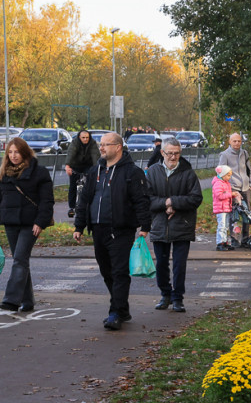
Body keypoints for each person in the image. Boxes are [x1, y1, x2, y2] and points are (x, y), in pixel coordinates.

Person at [73, 133, 152, 331]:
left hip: (120, 230)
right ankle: (122, 309)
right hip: (97, 229)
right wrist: (79, 226)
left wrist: (145, 227)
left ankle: (115, 312)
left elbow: (142, 200)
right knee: (106, 271)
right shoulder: (94, 171)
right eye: (101, 144)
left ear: (118, 147)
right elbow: (84, 200)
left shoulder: (131, 173)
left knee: (119, 272)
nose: (101, 148)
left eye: (106, 144)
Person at [146, 137, 203, 313]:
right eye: (170, 153)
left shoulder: (188, 172)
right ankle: (165, 294)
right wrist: (166, 204)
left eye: (176, 153)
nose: (173, 157)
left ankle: (178, 298)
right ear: (162, 152)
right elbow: (146, 199)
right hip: (160, 224)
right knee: (161, 264)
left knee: (179, 264)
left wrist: (174, 203)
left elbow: (195, 198)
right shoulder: (153, 172)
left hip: (182, 224)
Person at [0, 137, 54, 312]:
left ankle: (11, 300)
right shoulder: (4, 172)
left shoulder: (39, 172)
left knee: (20, 259)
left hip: (31, 223)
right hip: (11, 222)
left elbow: (47, 201)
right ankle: (28, 301)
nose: (13, 156)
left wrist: (41, 221)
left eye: (17, 152)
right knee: (20, 261)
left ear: (25, 152)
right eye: (10, 152)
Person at [218, 132, 251, 246]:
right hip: (233, 189)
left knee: (247, 214)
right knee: (234, 216)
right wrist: (226, 188)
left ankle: (245, 239)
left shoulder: (245, 153)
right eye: (234, 141)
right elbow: (221, 172)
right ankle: (234, 239)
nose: (237, 143)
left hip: (245, 188)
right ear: (229, 142)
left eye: (239, 141)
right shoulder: (224, 155)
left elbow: (250, 170)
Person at [64, 130, 100, 218]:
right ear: (79, 138)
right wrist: (68, 166)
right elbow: (70, 154)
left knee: (91, 185)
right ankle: (72, 207)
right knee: (72, 186)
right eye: (83, 138)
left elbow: (95, 156)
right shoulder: (74, 143)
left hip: (88, 165)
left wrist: (97, 169)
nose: (85, 139)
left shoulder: (93, 143)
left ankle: (90, 205)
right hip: (75, 165)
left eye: (87, 137)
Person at [212, 166, 240, 251]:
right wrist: (231, 194)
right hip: (221, 208)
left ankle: (224, 242)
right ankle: (220, 243)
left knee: (226, 226)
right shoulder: (218, 183)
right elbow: (219, 195)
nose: (229, 177)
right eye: (228, 175)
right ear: (223, 174)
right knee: (221, 226)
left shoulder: (226, 183)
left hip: (226, 207)